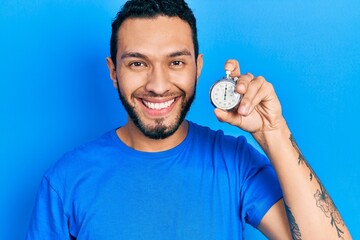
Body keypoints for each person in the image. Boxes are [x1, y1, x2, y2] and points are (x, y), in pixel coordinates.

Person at [26, 0, 352, 239]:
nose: (157, 85)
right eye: (138, 64)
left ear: (197, 67)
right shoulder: (65, 181)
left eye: (176, 63)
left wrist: (273, 133)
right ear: (113, 72)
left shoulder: (234, 163)